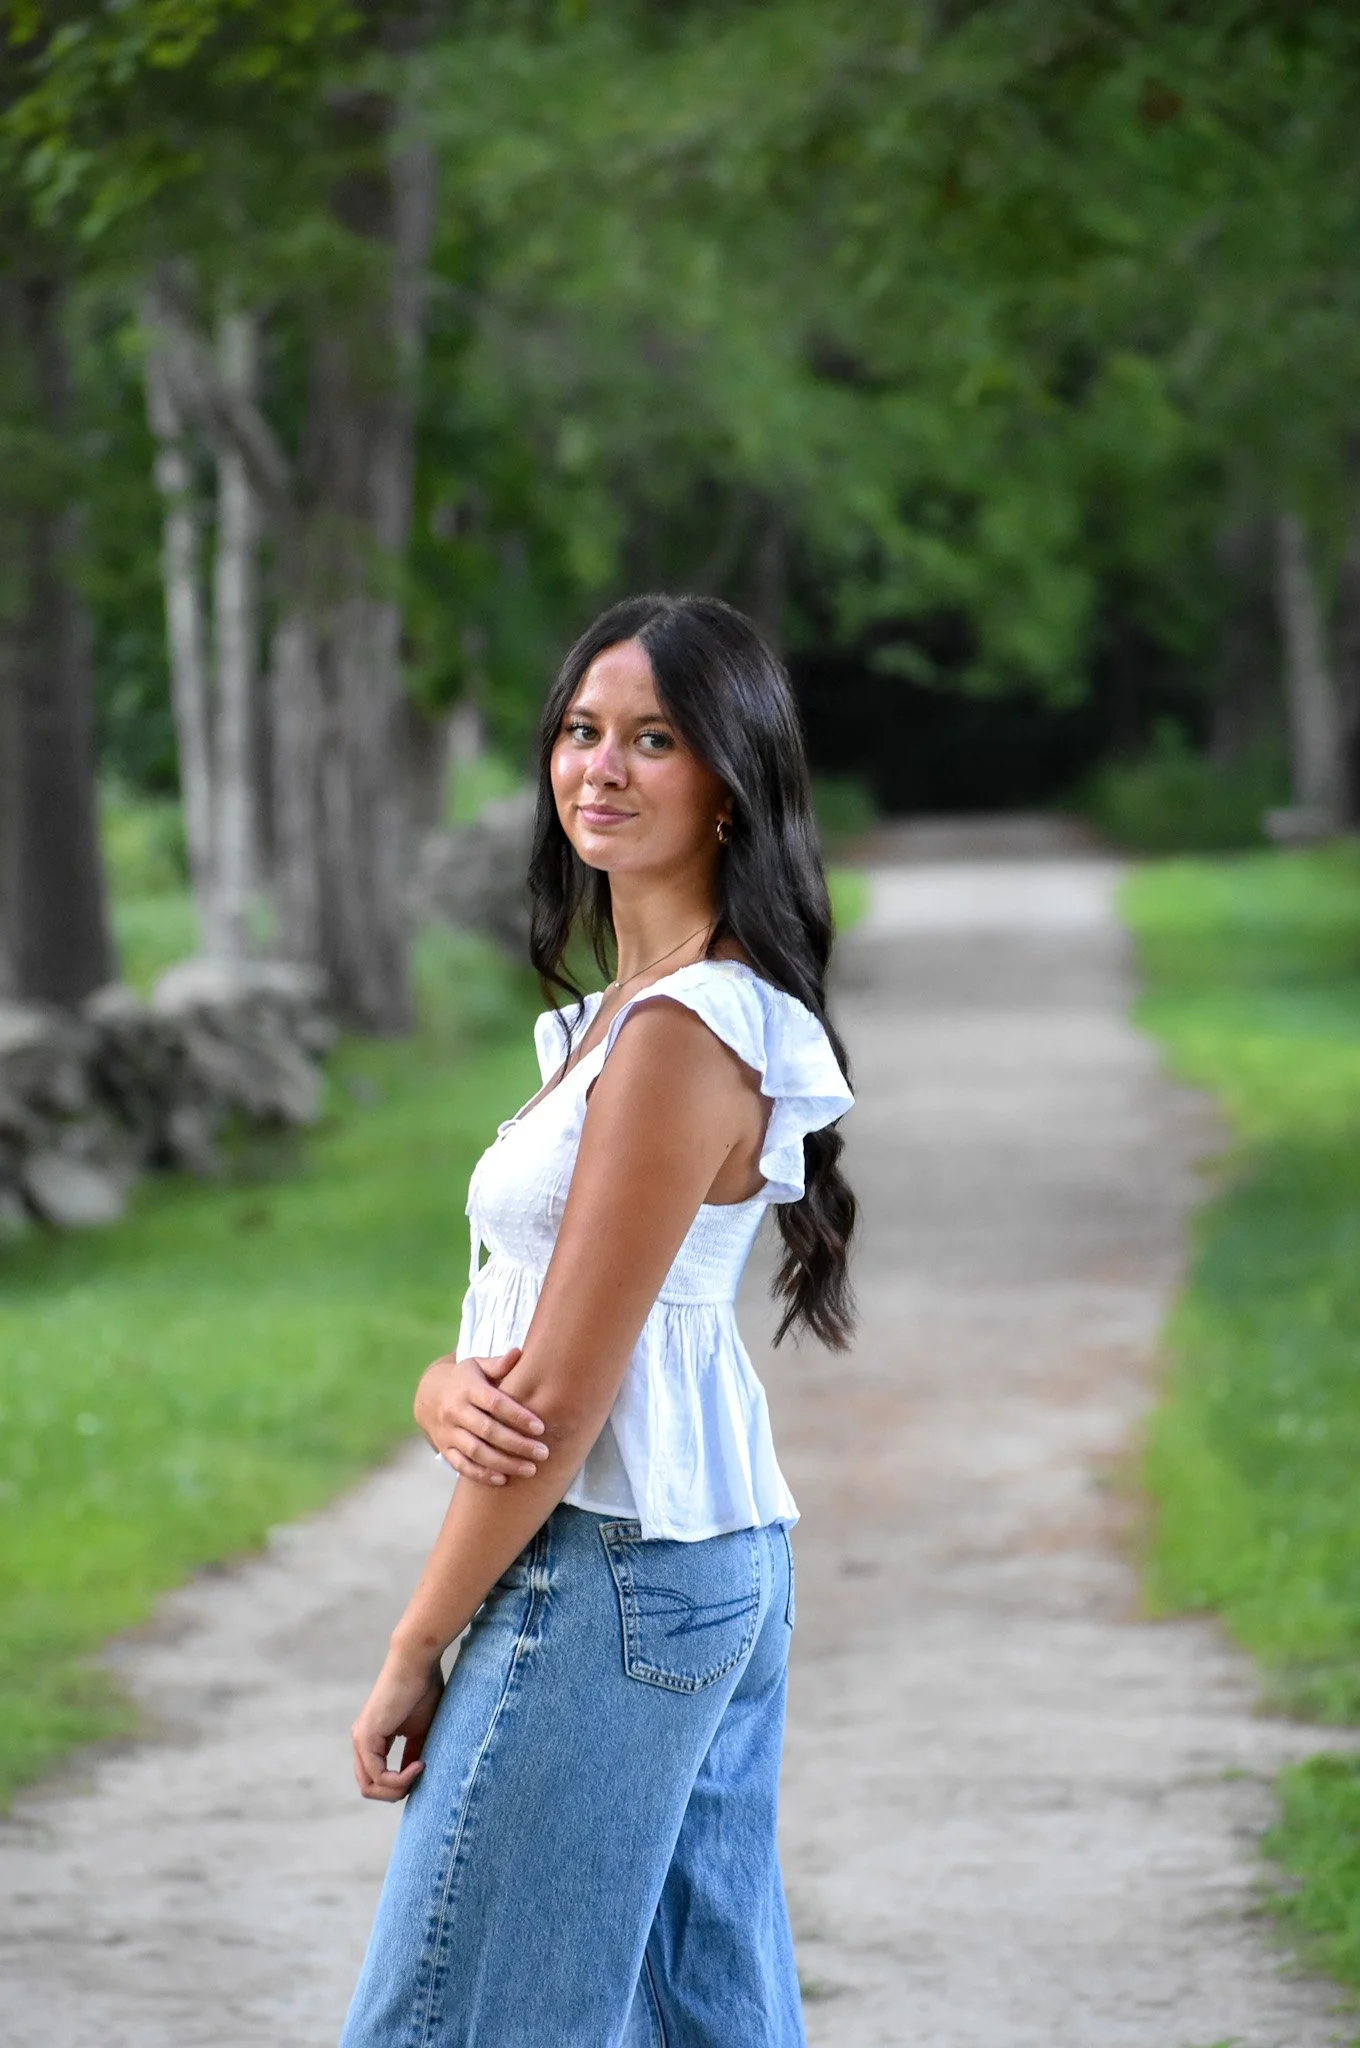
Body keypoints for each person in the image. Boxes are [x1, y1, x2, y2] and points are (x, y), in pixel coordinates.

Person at [340, 593, 856, 2048]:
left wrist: (415, 1643)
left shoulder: (683, 1034)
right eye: (581, 730)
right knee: (701, 2022)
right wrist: (440, 1384)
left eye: (655, 739)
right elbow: (540, 1342)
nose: (601, 768)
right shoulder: (628, 1020)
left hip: (609, 1573)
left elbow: (563, 1403)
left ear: (730, 782)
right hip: (689, 1565)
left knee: (443, 2024)